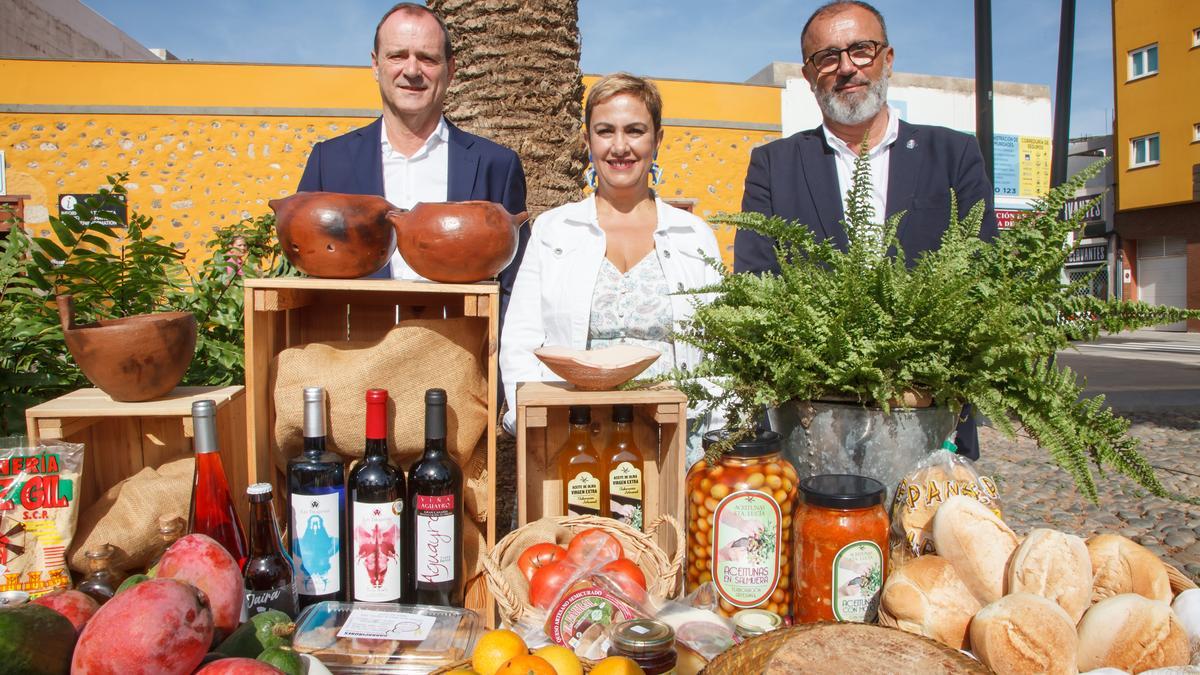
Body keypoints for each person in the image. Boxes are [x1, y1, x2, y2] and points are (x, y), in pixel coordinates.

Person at [733, 0, 998, 459]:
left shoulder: (953, 155)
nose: (846, 67)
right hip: (817, 428)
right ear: (809, 73)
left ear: (887, 59)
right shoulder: (774, 166)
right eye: (828, 57)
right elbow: (757, 284)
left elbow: (985, 276)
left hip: (931, 423)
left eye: (861, 50)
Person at [500, 73, 722, 462]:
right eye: (605, 131)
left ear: (658, 139)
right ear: (587, 141)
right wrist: (534, 431)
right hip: (573, 445)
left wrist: (717, 436)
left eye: (635, 130)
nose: (620, 147)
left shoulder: (694, 236)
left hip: (676, 449)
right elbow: (521, 341)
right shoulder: (554, 230)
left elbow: (721, 346)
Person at [296, 3, 528, 318]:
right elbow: (305, 282)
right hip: (353, 360)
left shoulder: (496, 166)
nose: (412, 70)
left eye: (427, 58)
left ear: (451, 70)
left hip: (460, 361)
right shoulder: (329, 161)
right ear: (375, 65)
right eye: (397, 55)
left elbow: (515, 289)